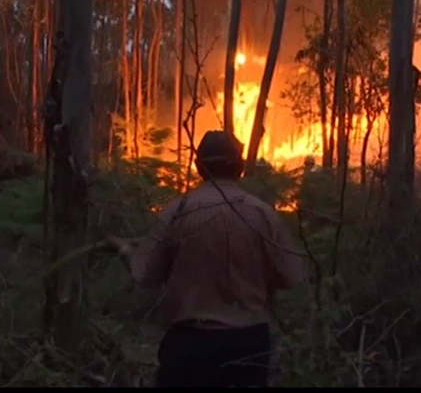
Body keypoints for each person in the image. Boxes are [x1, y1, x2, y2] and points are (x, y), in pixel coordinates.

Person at [114, 130, 306, 388]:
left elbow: (144, 274)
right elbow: (292, 277)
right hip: (249, 344)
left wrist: (125, 250)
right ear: (240, 166)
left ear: (199, 167)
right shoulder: (263, 215)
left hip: (191, 345)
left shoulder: (178, 212)